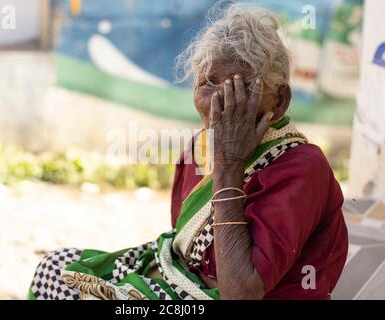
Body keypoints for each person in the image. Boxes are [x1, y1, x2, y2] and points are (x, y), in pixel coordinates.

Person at [29, 3, 348, 300]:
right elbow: (185, 257)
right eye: (209, 82)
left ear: (280, 101)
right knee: (55, 268)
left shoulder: (302, 167)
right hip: (180, 283)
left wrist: (229, 165)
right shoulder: (199, 151)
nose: (221, 102)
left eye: (243, 87)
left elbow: (241, 292)